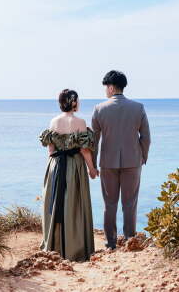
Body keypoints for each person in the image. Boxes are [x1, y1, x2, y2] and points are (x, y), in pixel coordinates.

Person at [91, 70, 151, 250]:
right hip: (133, 162)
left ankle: (110, 243)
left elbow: (94, 141)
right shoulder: (138, 107)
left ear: (110, 87)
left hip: (108, 163)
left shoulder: (99, 109)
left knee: (109, 204)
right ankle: (129, 240)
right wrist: (143, 156)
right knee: (130, 204)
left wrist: (92, 164)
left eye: (105, 87)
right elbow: (146, 137)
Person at [39, 89, 98, 261]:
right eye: (77, 100)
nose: (79, 103)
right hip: (74, 166)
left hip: (55, 166)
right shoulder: (80, 122)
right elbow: (84, 150)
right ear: (73, 102)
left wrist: (54, 167)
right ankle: (75, 248)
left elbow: (51, 150)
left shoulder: (54, 121)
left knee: (55, 203)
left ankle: (54, 246)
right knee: (74, 205)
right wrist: (92, 169)